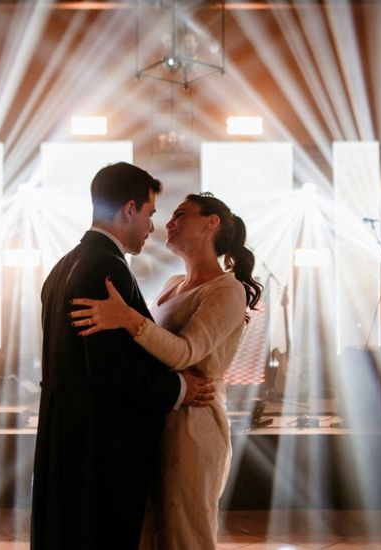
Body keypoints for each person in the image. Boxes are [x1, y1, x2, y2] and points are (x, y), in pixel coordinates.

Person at [30, 163, 215, 550]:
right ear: (129, 209)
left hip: (66, 438)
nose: (152, 226)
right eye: (149, 213)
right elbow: (109, 367)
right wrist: (179, 388)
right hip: (100, 448)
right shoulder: (105, 268)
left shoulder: (65, 265)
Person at [69, 192, 262, 550]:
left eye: (180, 214)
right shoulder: (173, 284)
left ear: (211, 223)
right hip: (158, 415)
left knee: (184, 533)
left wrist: (128, 319)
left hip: (194, 423)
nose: (168, 223)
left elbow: (184, 352)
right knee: (148, 532)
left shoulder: (227, 290)